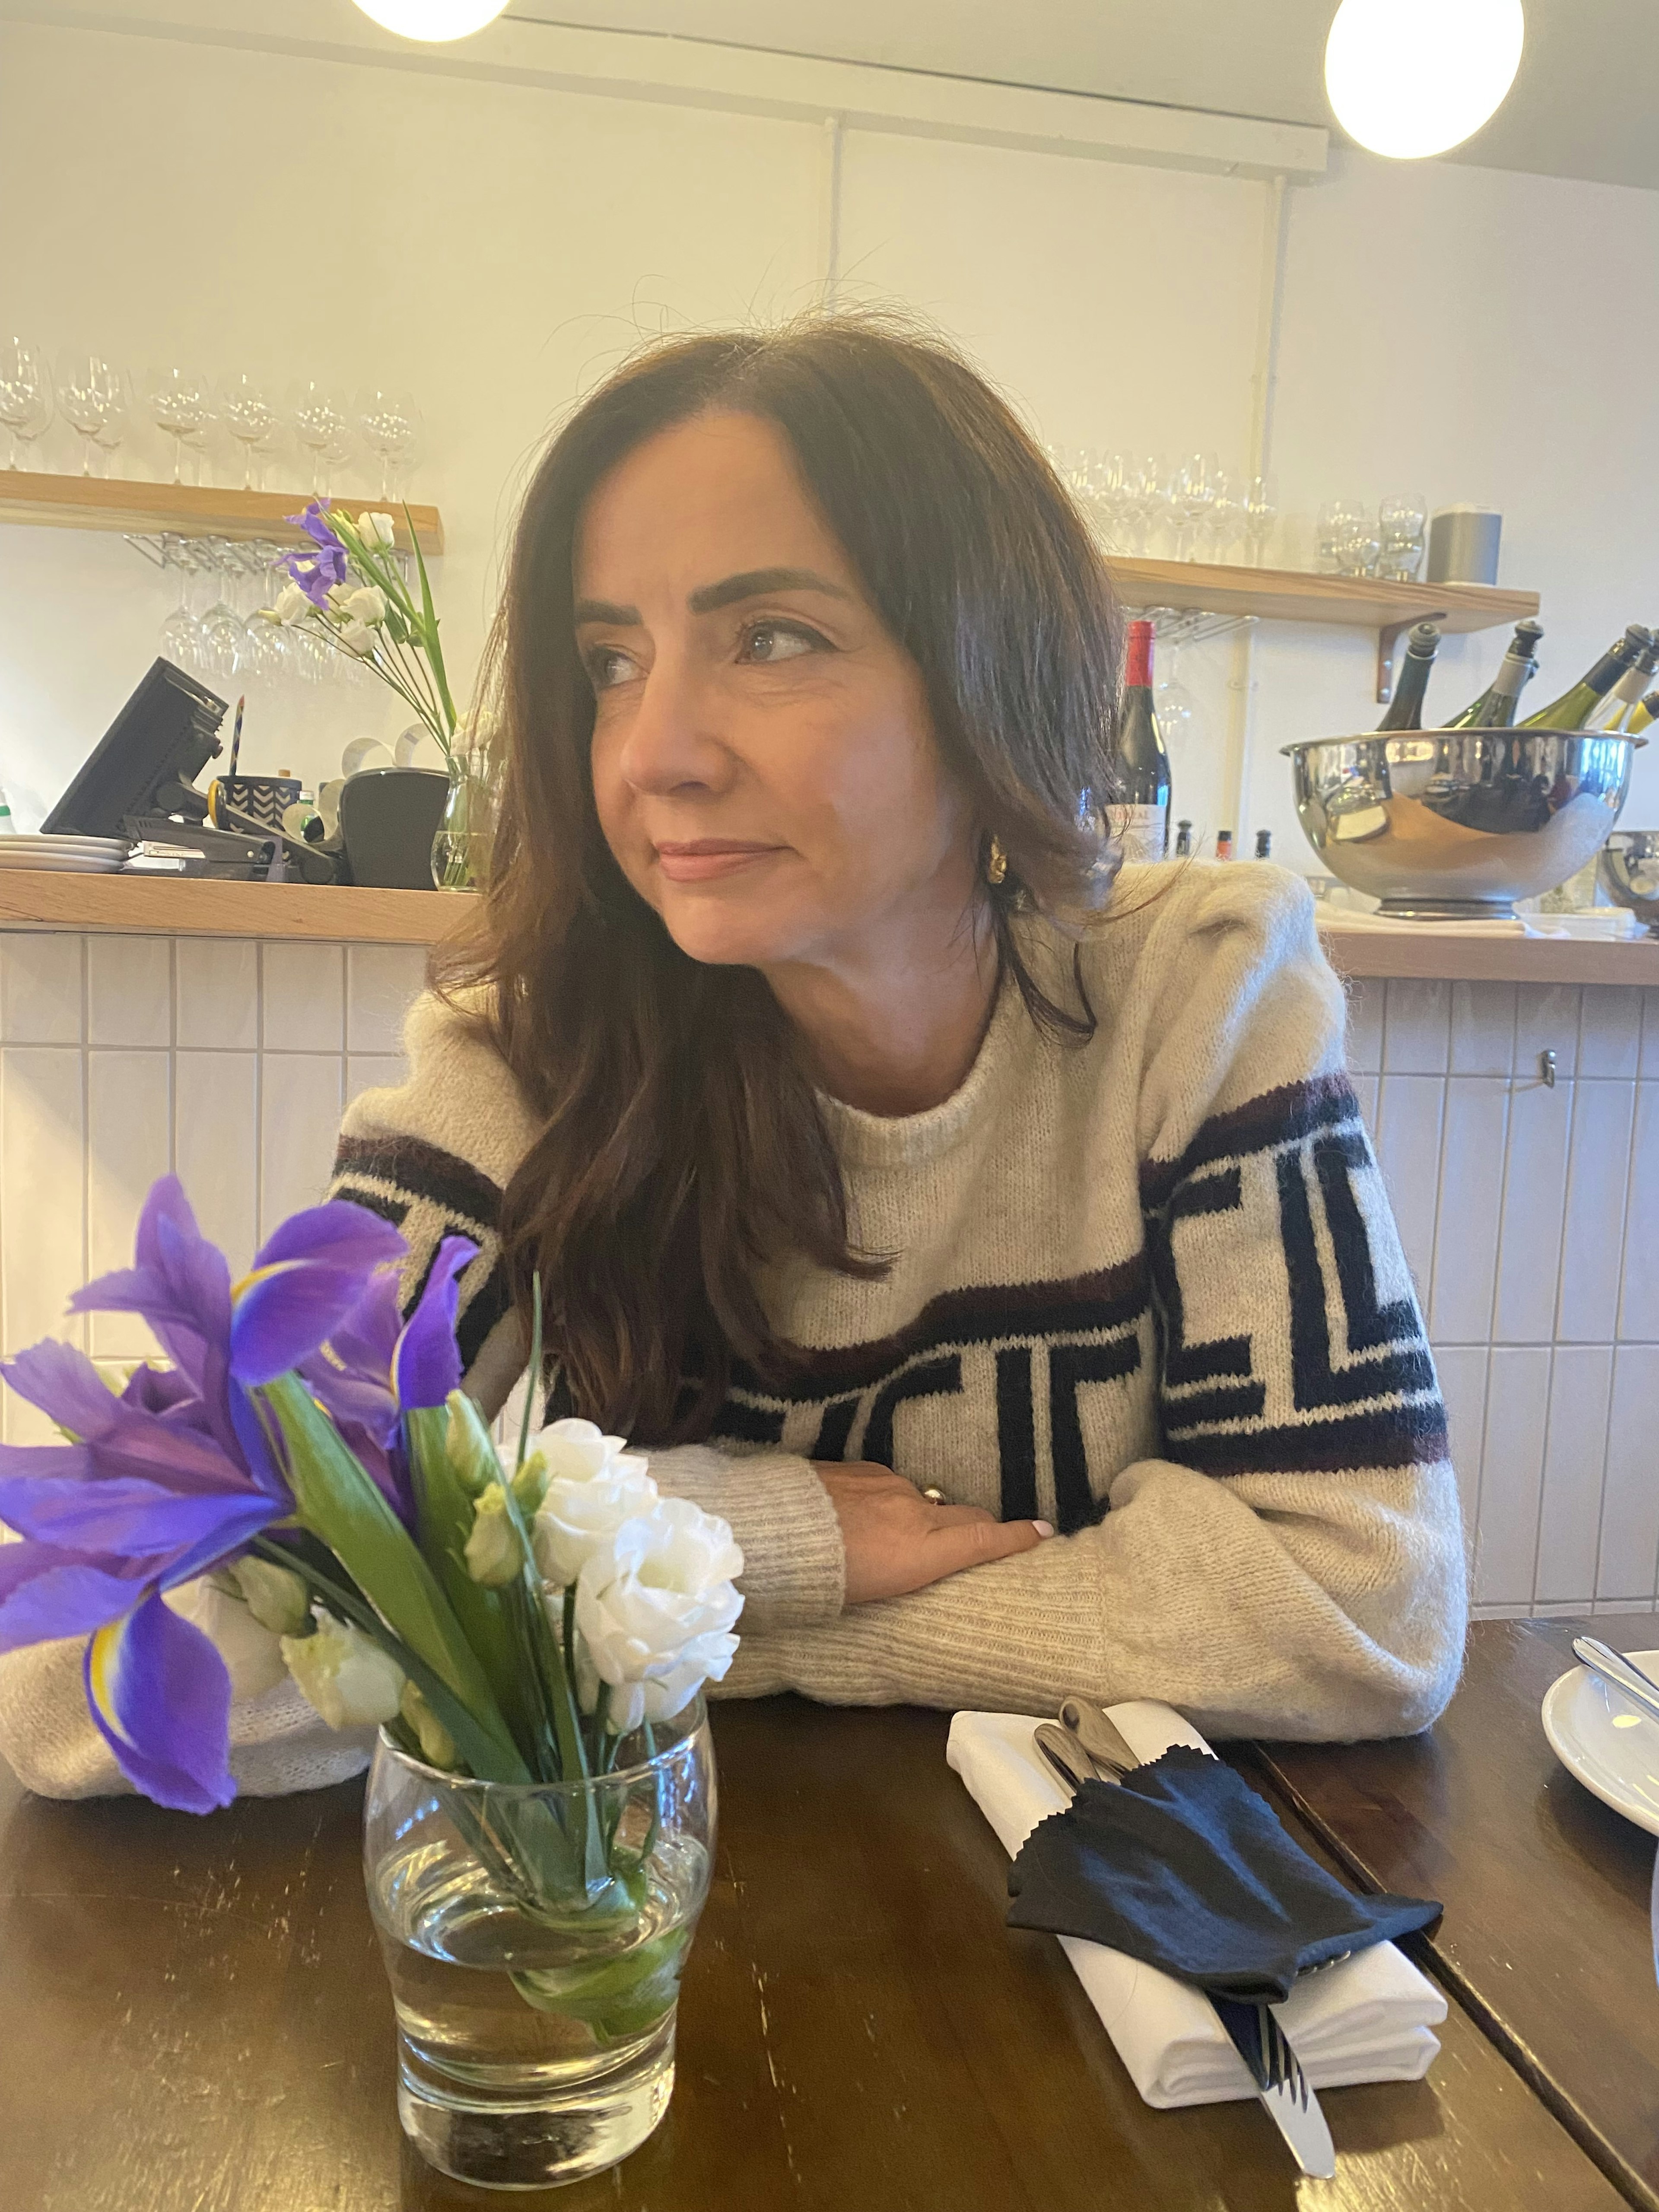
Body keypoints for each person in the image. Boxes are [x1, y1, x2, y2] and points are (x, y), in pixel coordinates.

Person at [0, 314, 1465, 1802]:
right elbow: (75, 1688)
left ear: (992, 679)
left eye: (774, 639)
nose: (655, 752)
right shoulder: (525, 1054)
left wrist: (691, 1620)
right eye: (612, 661)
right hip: (620, 1941)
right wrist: (764, 1538)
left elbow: (1362, 1611)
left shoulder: (1195, 991)